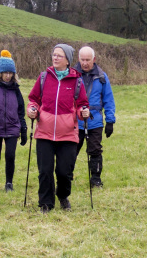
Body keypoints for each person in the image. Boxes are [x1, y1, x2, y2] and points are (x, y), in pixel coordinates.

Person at [26, 44, 89, 213]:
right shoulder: (43, 78)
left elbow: (82, 104)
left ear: (67, 60)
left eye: (59, 56)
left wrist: (83, 112)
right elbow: (34, 99)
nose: (55, 58)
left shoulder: (77, 81)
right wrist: (32, 109)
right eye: (54, 55)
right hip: (44, 132)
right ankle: (46, 203)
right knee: (45, 171)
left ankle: (62, 195)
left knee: (64, 172)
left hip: (68, 133)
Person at [0, 50, 28, 193]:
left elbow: (21, 111)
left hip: (12, 127)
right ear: (0, 73)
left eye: (11, 73)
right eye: (5, 73)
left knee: (10, 156)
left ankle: (9, 184)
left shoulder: (16, 90)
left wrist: (23, 129)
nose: (8, 76)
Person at [73, 46, 116, 188]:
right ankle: (67, 175)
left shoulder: (102, 77)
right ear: (78, 59)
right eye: (82, 60)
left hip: (95, 121)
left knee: (95, 150)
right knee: (70, 151)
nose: (85, 63)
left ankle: (95, 179)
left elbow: (108, 99)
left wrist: (110, 121)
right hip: (75, 121)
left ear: (94, 59)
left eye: (88, 60)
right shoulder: (72, 75)